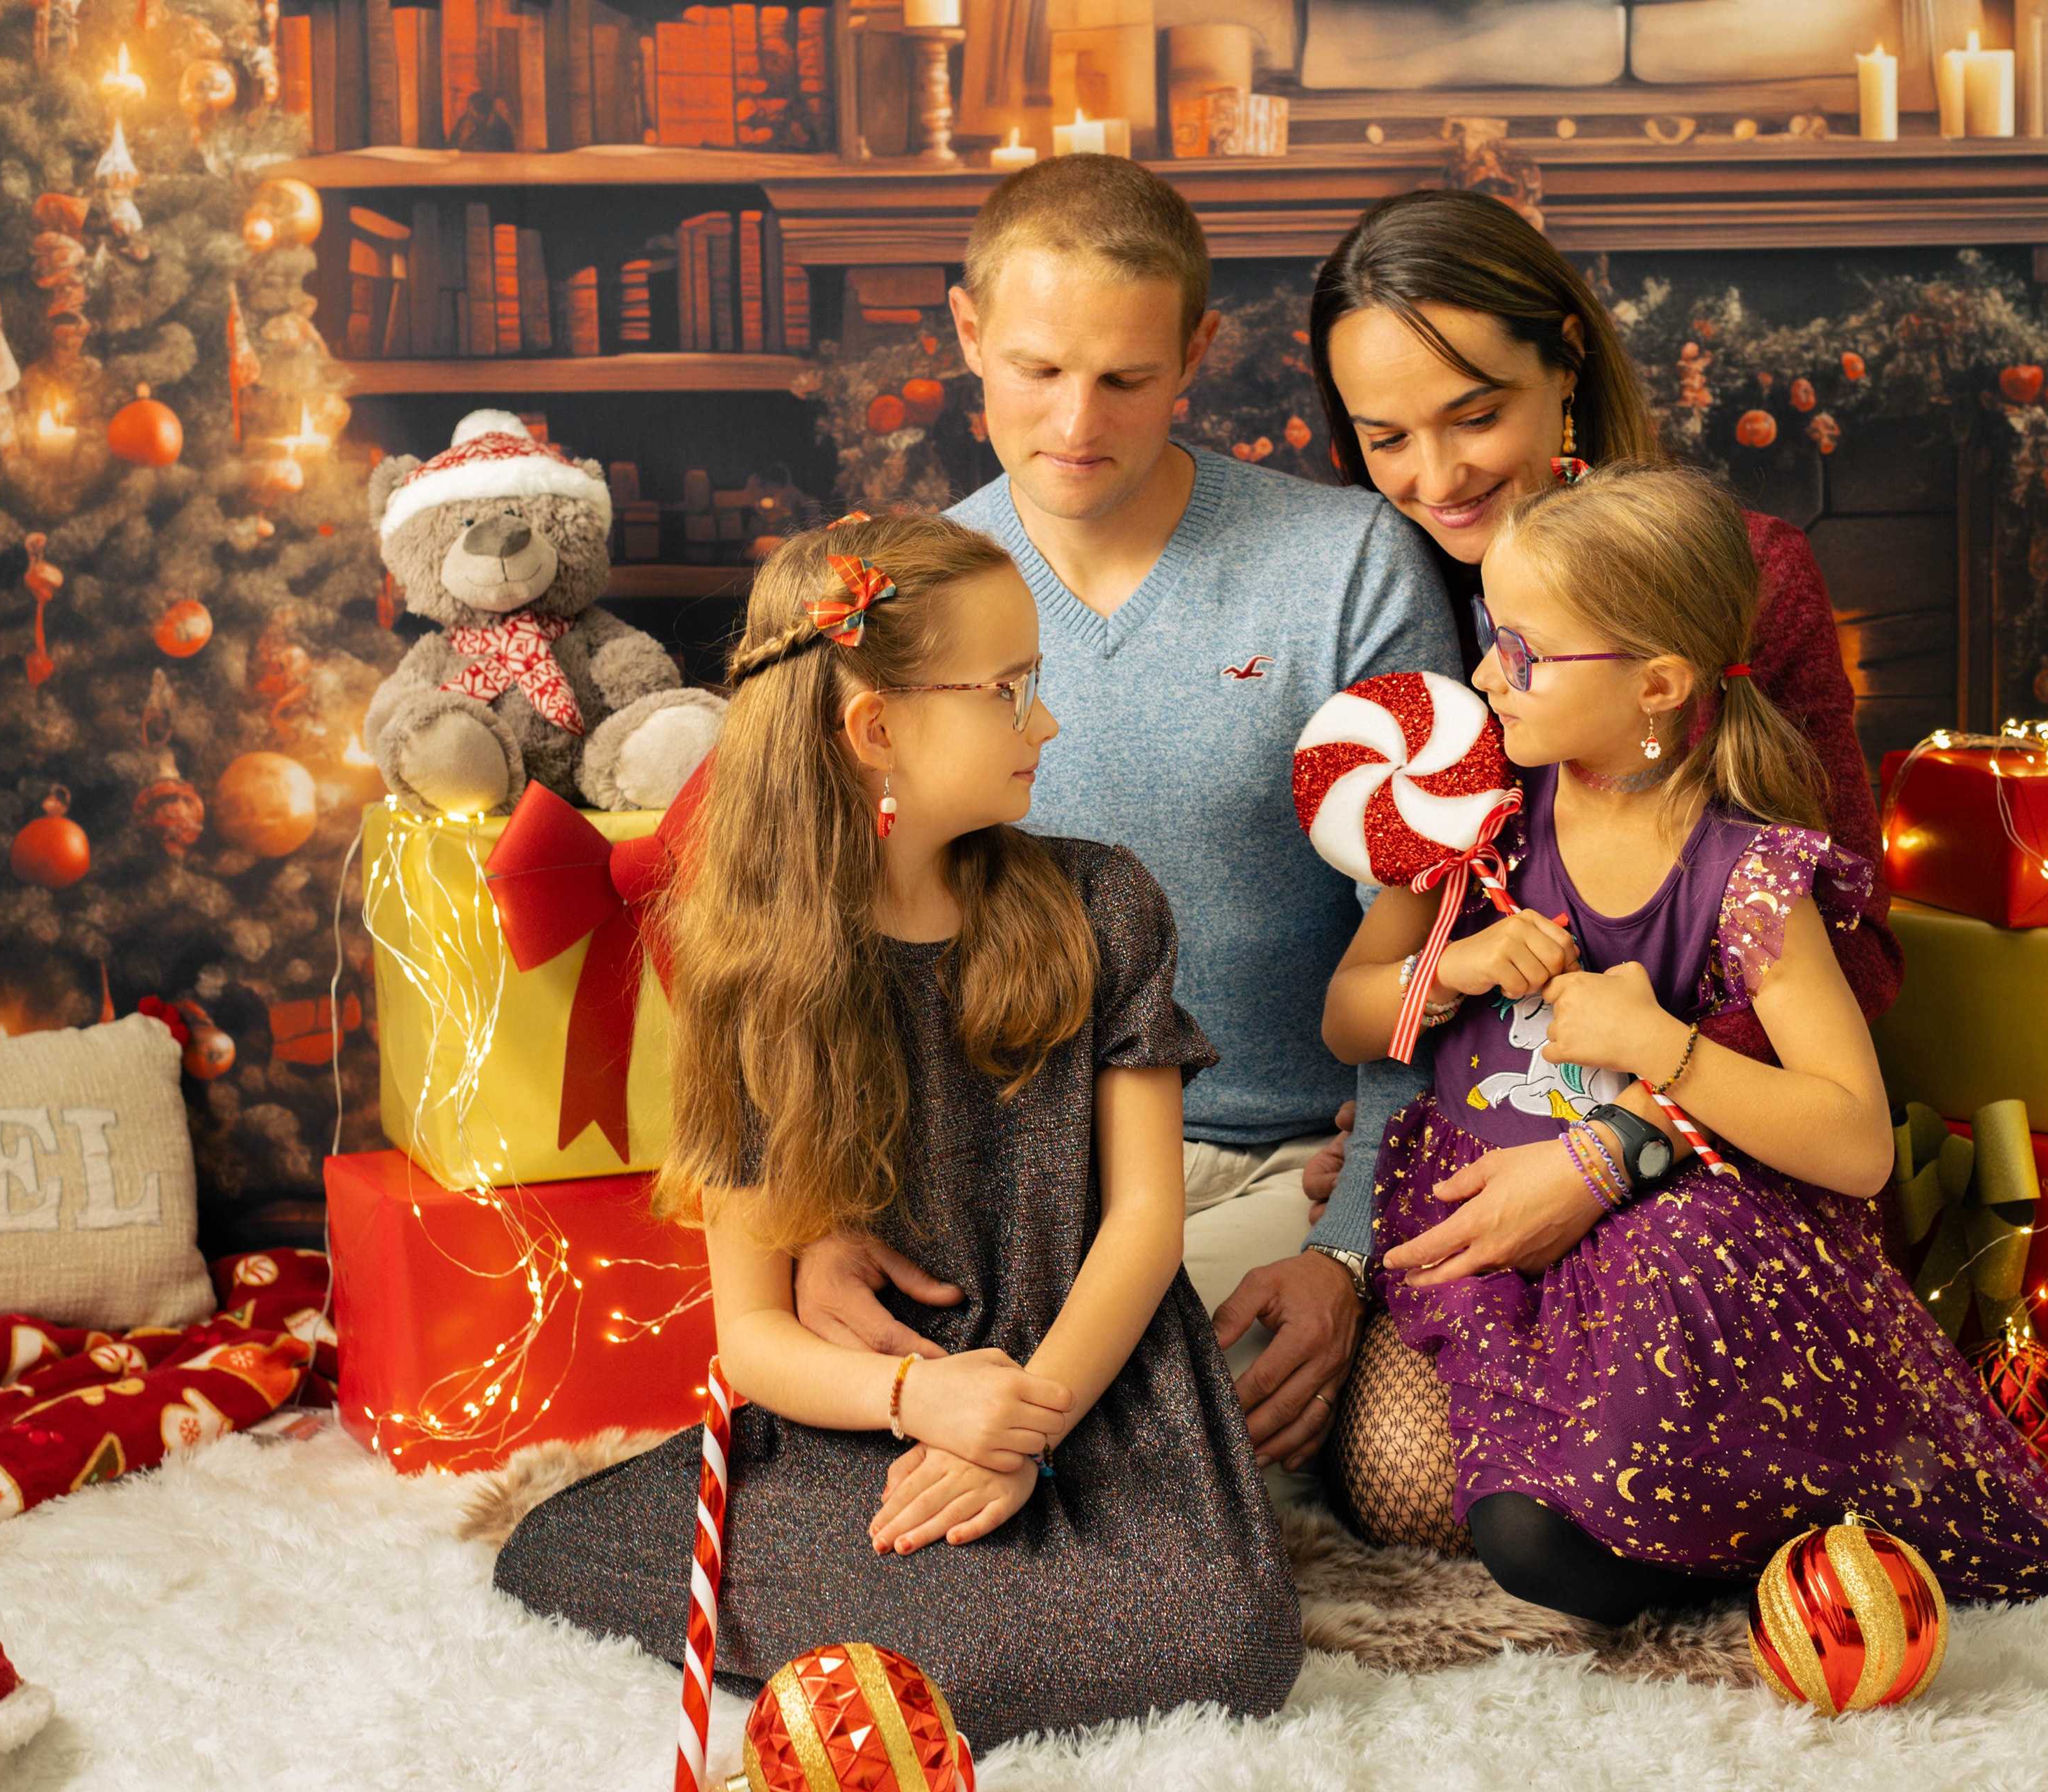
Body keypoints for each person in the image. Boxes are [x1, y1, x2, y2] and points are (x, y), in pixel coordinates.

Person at [492, 516, 1303, 1746]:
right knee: (570, 1558)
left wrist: (1025, 1420)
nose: (1047, 723)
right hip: (878, 1404)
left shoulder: (1104, 904)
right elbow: (756, 1338)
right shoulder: (756, 975)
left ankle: (984, 1580)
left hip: (1095, 1376)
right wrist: (922, 1400)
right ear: (876, 730)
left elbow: (1146, 1220)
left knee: (1228, 1642)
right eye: (1011, 691)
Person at [1321, 460, 2048, 1621]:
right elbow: (1347, 1011)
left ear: (1657, 683)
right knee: (1413, 1488)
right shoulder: (1474, 810)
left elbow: (1858, 1145)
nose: (1486, 675)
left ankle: (1770, 1546)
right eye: (1491, 636)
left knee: (1564, 1502)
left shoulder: (1746, 871)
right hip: (1487, 1215)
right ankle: (1659, 1522)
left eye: (1523, 653)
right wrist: (1456, 968)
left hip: (1675, 1230)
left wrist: (1659, 1043)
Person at [789, 156, 1458, 1476]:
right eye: (1036, 369)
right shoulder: (900, 599)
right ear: (967, 332)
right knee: (973, 1432)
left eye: (1127, 378)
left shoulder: (1346, 566)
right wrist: (822, 1216)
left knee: (1189, 1446)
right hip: (1000, 1193)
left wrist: (1347, 1246)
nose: (1076, 421)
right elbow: (834, 945)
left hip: (1280, 1172)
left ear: (1196, 352)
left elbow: (1431, 941)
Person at [1298, 187, 1904, 1242]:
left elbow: (1853, 951)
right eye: (1386, 437)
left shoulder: (1736, 581)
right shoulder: (1374, 596)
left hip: (1705, 1183)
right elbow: (1378, 969)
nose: (1437, 478)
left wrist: (1618, 1147)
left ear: (1567, 362)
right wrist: (1399, 1135)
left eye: (1475, 417)